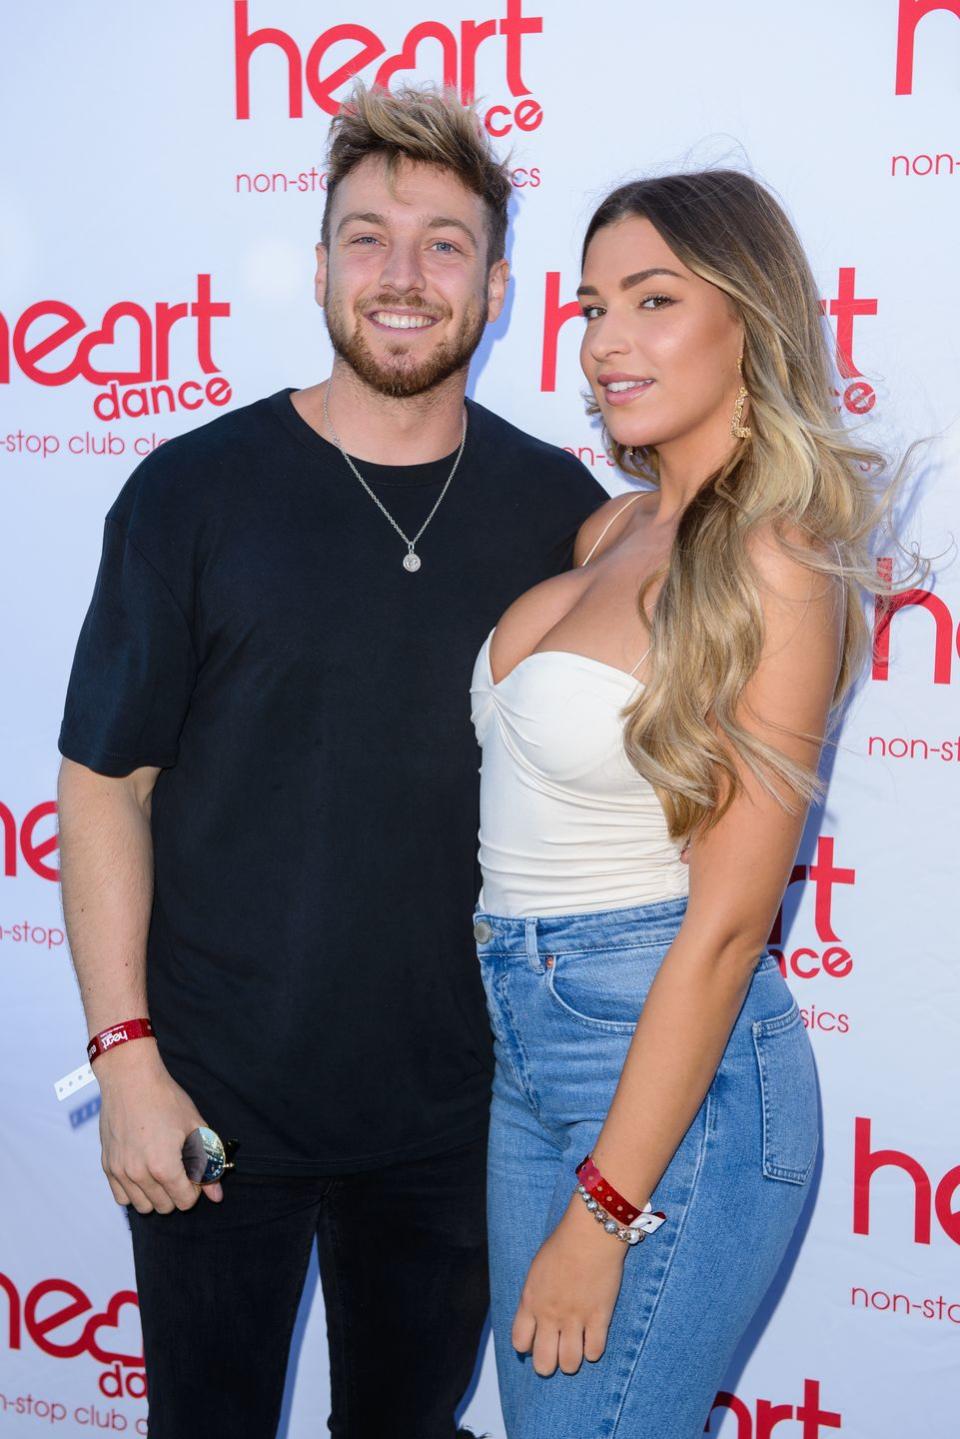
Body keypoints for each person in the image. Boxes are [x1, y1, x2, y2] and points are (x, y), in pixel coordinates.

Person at [55, 84, 605, 1439]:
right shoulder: (190, 492)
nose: (401, 275)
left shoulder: (565, 515)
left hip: (462, 1109)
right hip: (212, 1102)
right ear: (317, 265)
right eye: (366, 237)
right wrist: (126, 1057)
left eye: (442, 242)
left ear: (496, 287)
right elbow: (104, 783)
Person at [470, 169, 899, 1438]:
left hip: (674, 1078)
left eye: (653, 299)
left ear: (749, 319)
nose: (606, 340)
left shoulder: (777, 553)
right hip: (526, 1050)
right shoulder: (616, 528)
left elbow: (725, 926)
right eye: (593, 304)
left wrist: (605, 1211)